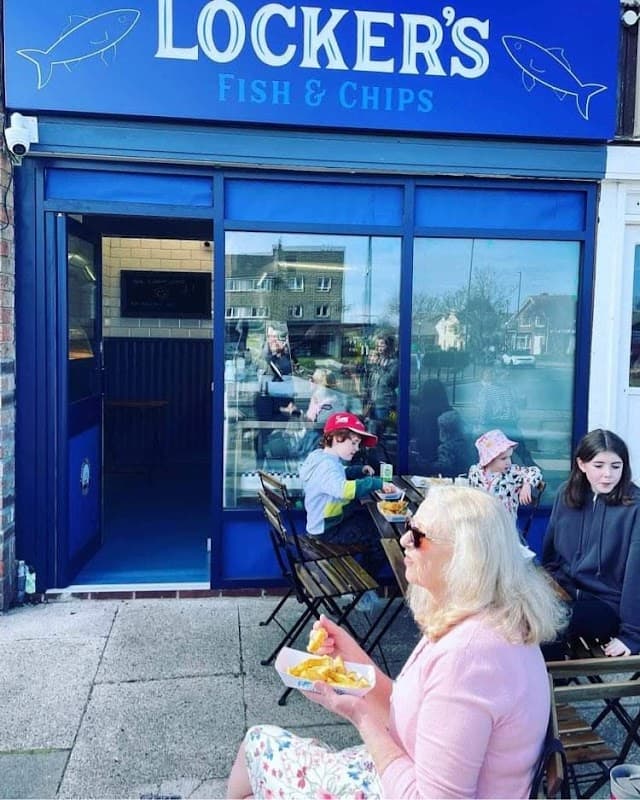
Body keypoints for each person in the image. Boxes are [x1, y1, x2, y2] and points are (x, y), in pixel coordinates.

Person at [227, 486, 567, 799]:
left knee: (257, 744)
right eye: (408, 526)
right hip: (408, 764)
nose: (404, 540)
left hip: (402, 784)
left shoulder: (470, 655)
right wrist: (354, 660)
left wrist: (361, 717)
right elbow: (414, 709)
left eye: (418, 535)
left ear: (463, 559)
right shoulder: (481, 619)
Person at [542, 429, 640, 657]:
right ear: (582, 464)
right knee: (512, 615)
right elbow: (551, 554)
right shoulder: (566, 493)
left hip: (608, 604)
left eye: (616, 466)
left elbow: (637, 575)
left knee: (545, 627)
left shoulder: (634, 506)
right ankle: (550, 687)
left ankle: (553, 688)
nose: (608, 475)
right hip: (566, 592)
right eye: (599, 465)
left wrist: (632, 635)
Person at [298, 411, 396, 573]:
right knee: (382, 536)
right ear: (337, 438)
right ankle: (364, 585)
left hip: (328, 523)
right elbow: (343, 490)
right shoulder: (327, 466)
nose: (357, 449)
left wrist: (357, 470)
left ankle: (362, 579)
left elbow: (337, 475)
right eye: (354, 443)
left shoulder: (321, 458)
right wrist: (376, 483)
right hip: (329, 530)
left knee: (372, 518)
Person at [468, 429, 543, 520]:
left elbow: (535, 472)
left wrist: (527, 484)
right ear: (489, 459)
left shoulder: (512, 473)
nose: (509, 462)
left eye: (510, 457)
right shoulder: (475, 472)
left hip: (505, 525)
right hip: (482, 522)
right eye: (503, 458)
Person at [410, 378, 474, 477]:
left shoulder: (424, 414)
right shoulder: (449, 412)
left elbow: (425, 442)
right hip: (454, 463)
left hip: (432, 461)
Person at [475, 366, 537, 466]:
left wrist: (480, 426)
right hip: (512, 425)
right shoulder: (507, 389)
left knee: (492, 455)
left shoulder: (485, 391)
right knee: (522, 452)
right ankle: (533, 472)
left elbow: (484, 411)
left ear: (484, 379)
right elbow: (519, 404)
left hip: (494, 427)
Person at [364, 333, 399, 437]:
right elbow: (371, 382)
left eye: (382, 345)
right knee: (372, 430)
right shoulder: (378, 362)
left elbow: (389, 381)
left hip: (385, 403)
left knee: (385, 430)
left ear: (389, 346)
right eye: (378, 346)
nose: (379, 348)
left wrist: (380, 367)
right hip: (373, 402)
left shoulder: (394, 363)